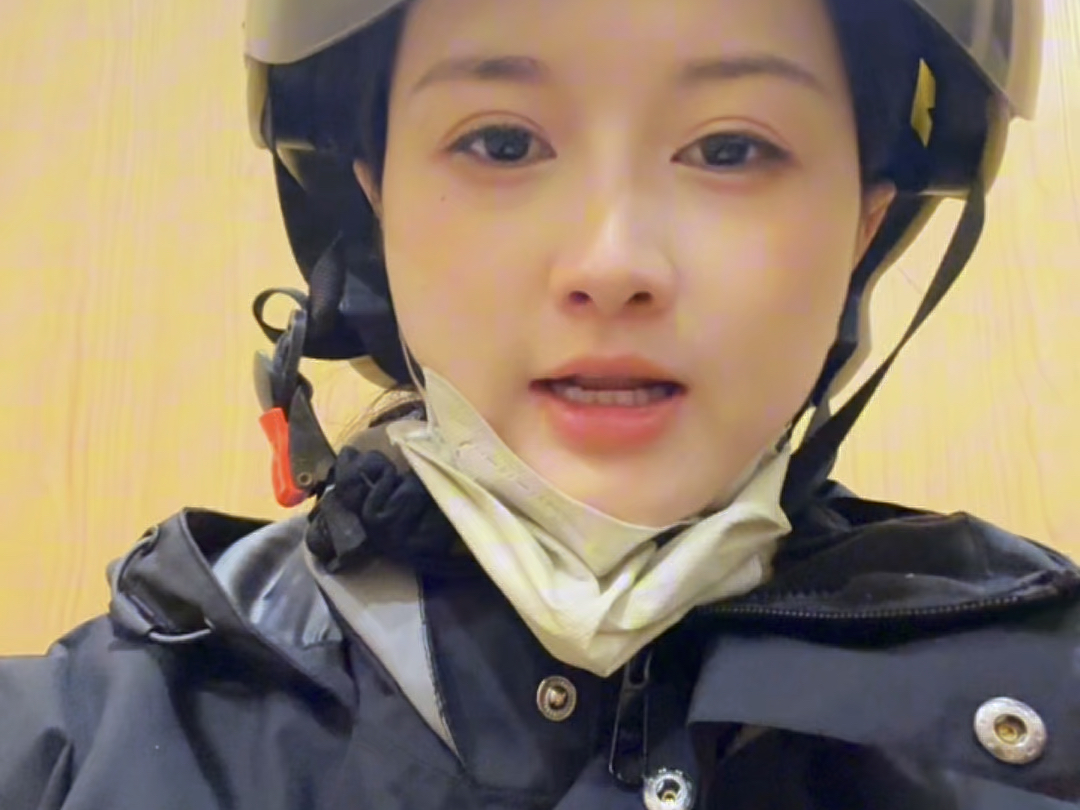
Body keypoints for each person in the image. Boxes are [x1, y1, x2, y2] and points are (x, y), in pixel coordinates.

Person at [1, 0, 1076, 807]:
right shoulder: (70, 754)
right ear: (373, 198)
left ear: (865, 222)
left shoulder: (1043, 722)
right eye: (503, 142)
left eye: (730, 148)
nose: (611, 264)